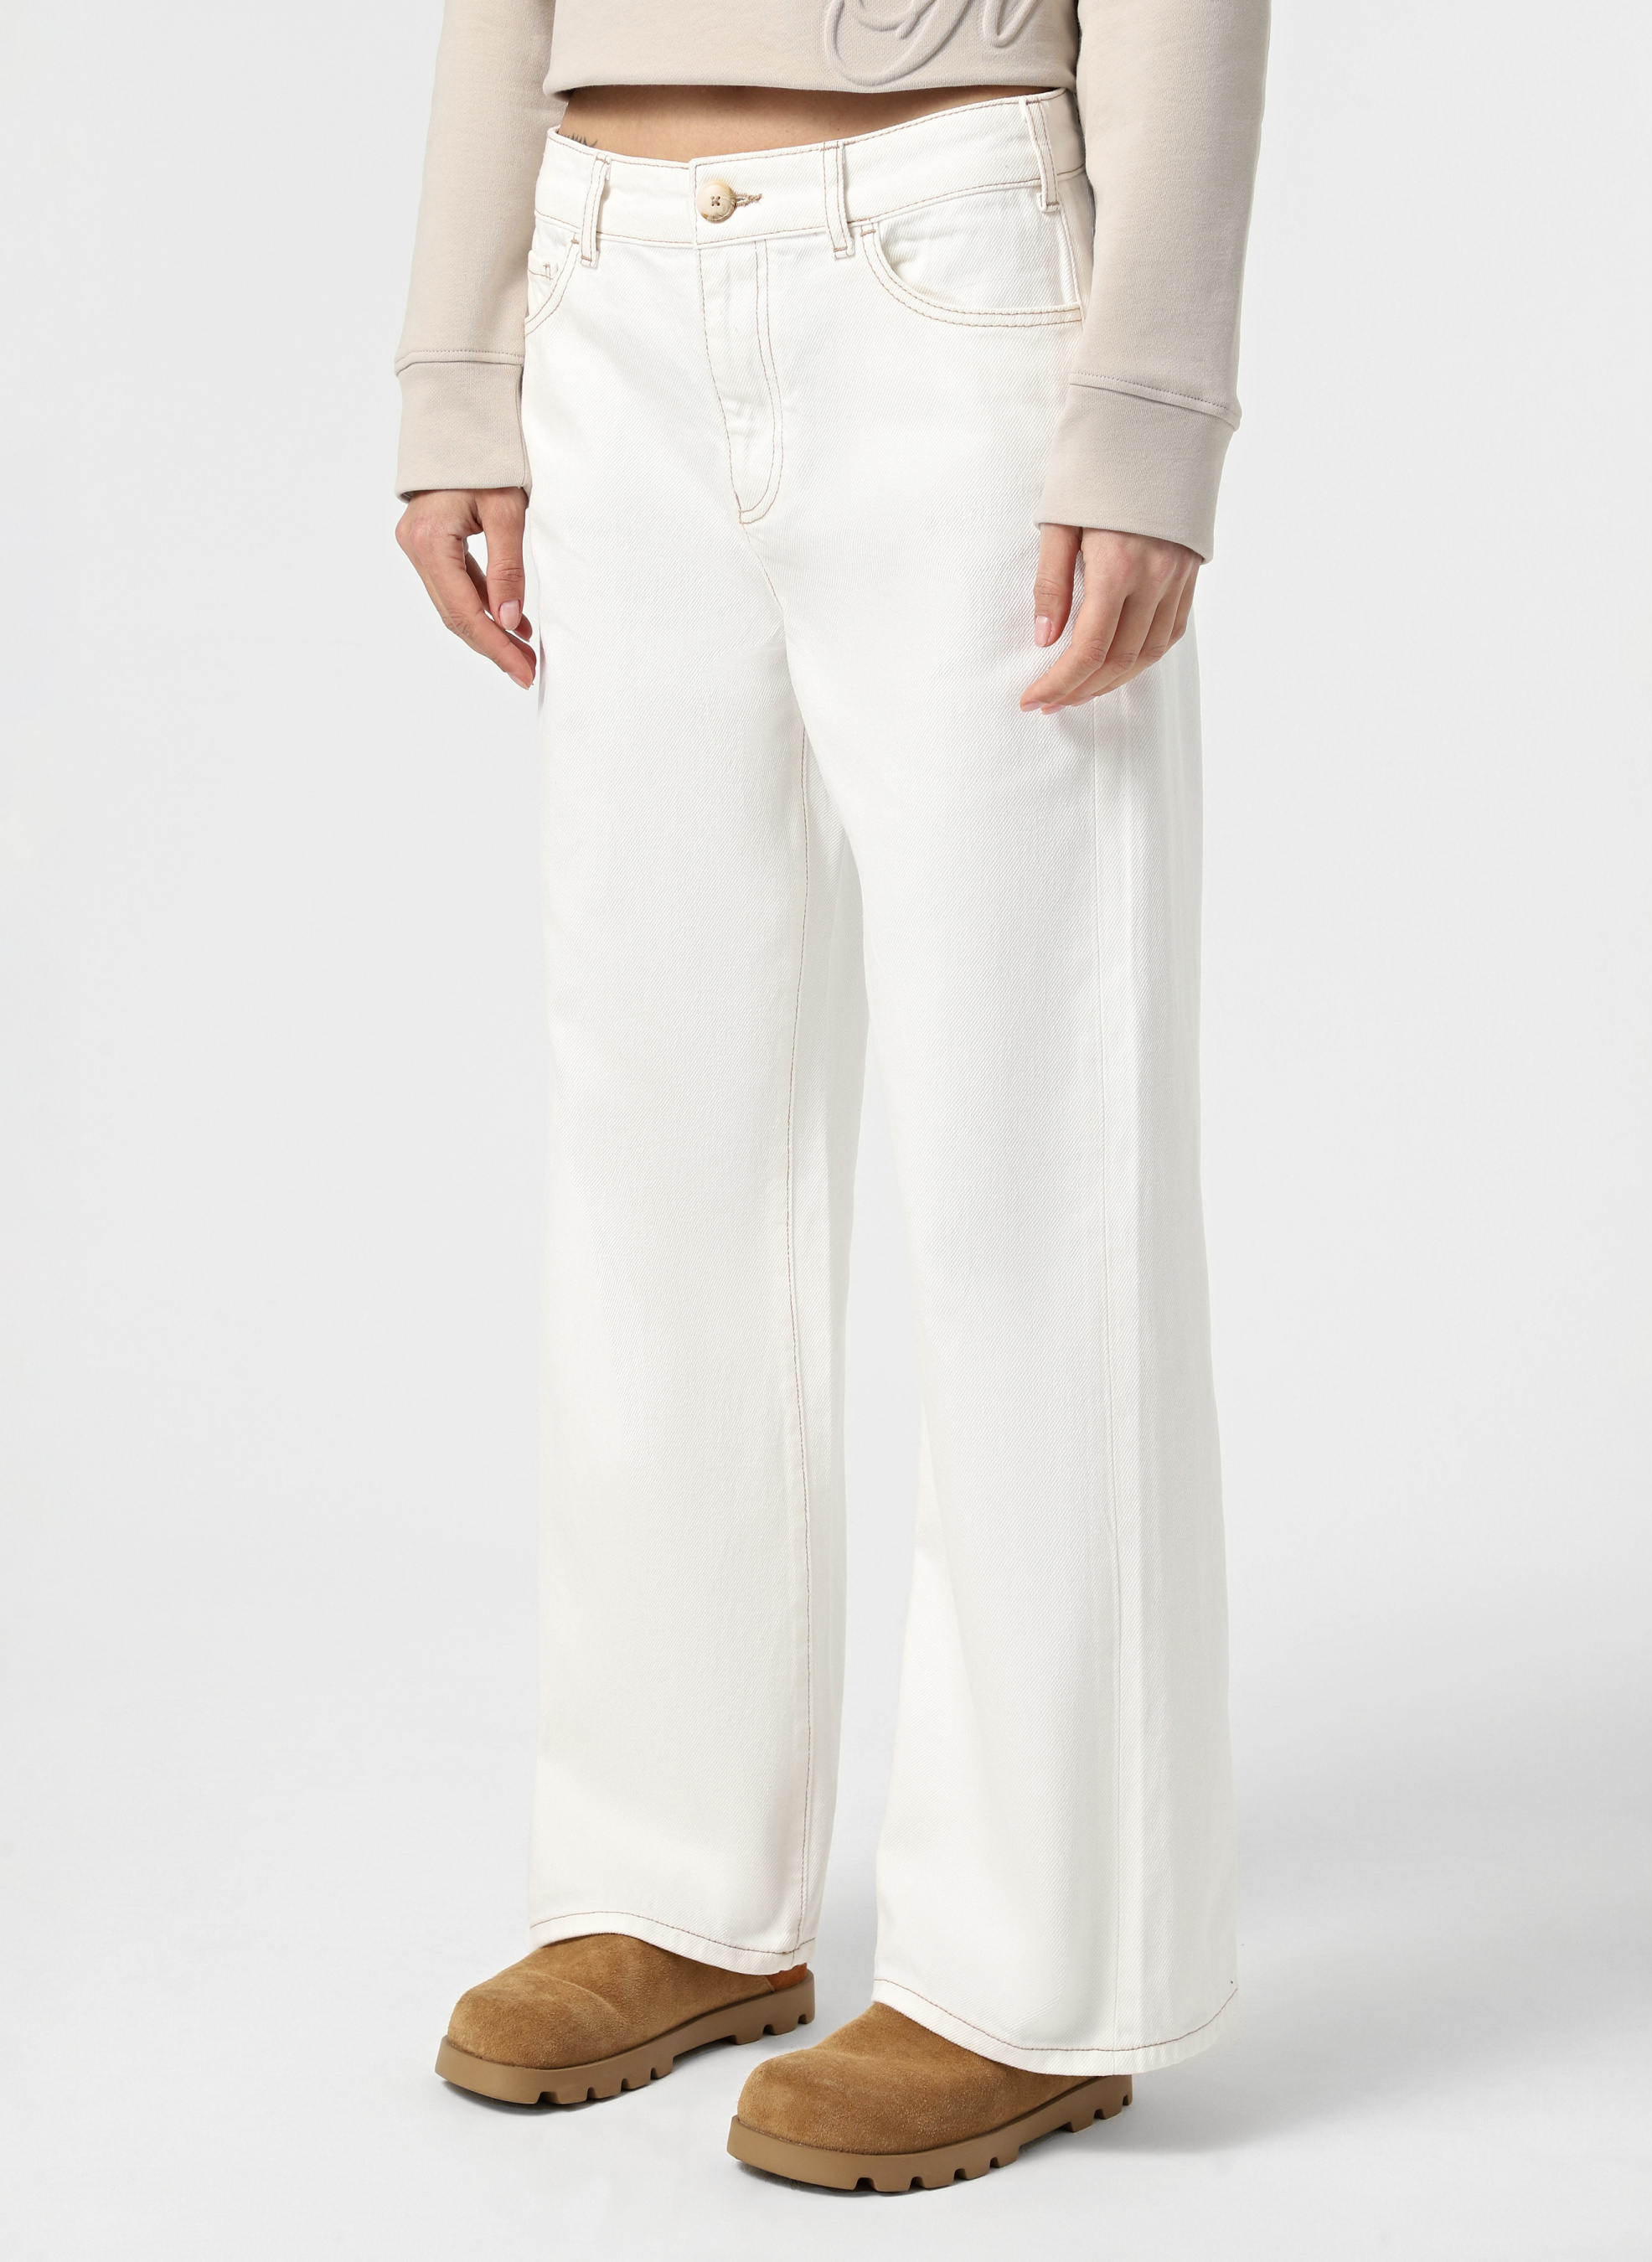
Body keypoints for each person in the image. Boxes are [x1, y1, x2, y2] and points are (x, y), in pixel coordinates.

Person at [394, 1, 1268, 2195]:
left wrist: (1145, 409)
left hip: (953, 276)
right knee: (657, 1133)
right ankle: (670, 1881)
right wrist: (461, 362)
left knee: (1030, 1153)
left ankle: (1038, 1969)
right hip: (603, 274)